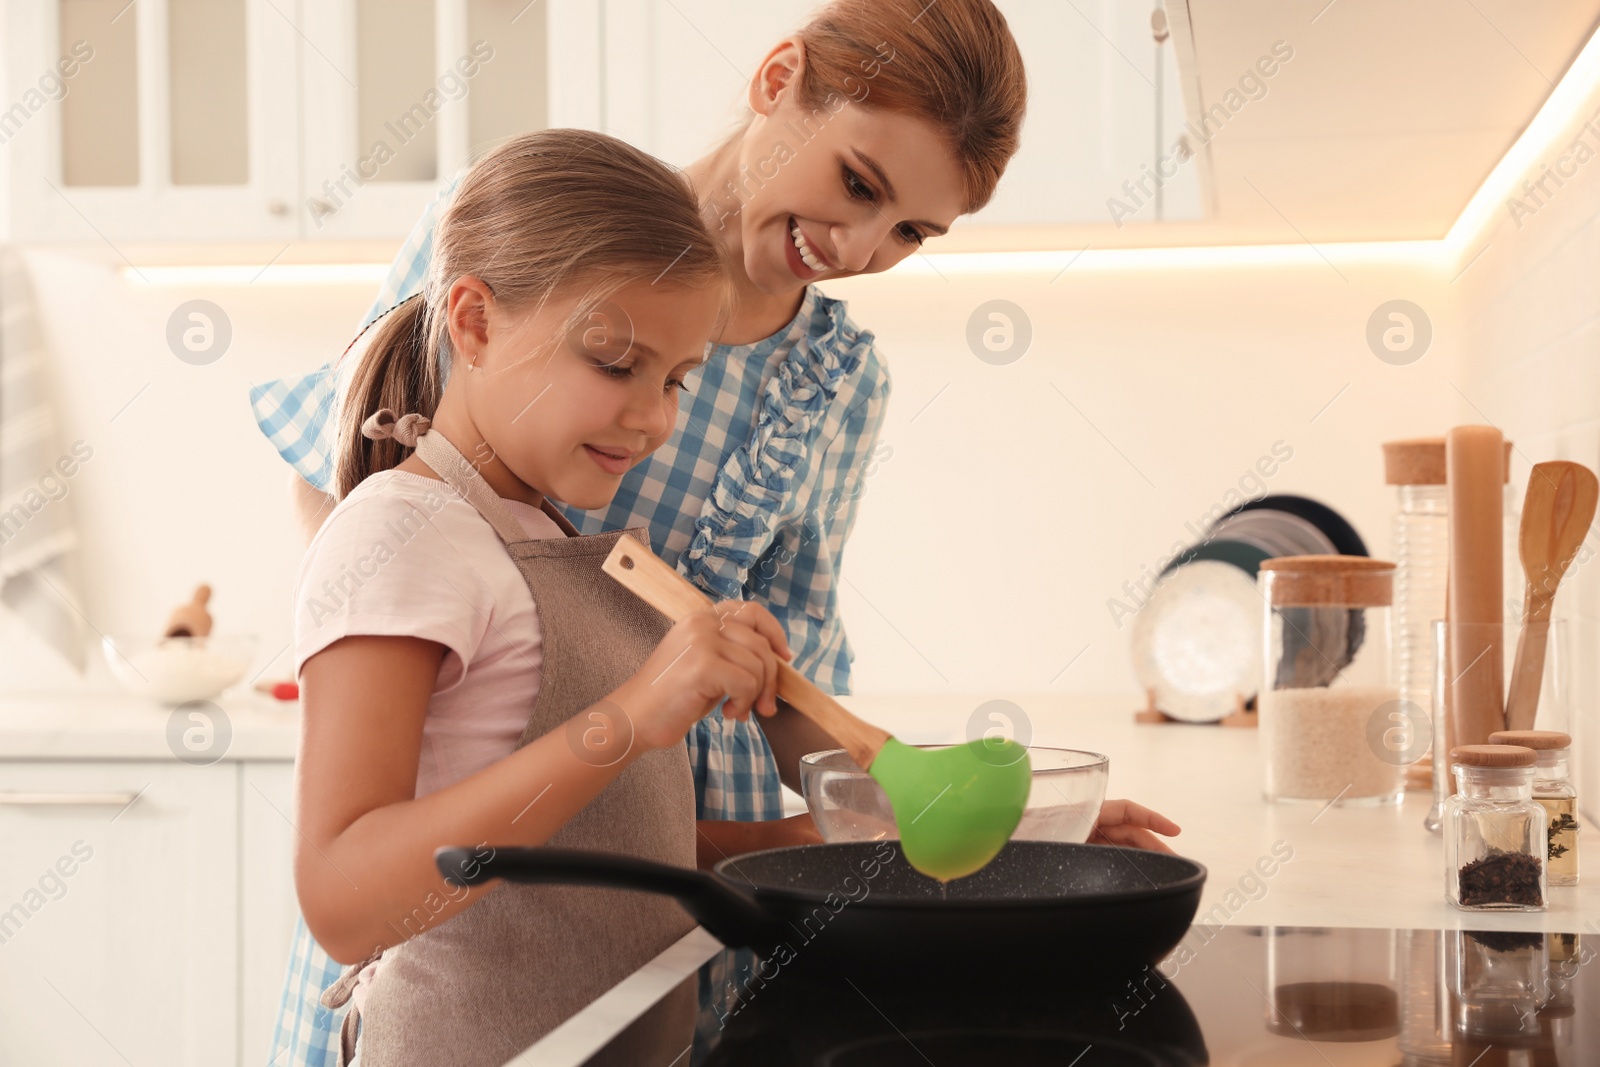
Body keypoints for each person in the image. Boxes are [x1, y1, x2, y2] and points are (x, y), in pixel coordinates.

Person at [253, 2, 1178, 1062]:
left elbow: (785, 680)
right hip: (472, 897)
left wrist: (967, 824)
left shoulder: (836, 380)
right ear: (778, 78)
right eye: (859, 185)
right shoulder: (538, 228)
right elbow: (357, 512)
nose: (859, 246)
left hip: (671, 872)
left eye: (913, 233)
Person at [289, 127, 791, 1065]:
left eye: (676, 379)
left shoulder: (535, 532)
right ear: (473, 321)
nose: (654, 419)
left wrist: (853, 842)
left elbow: (594, 852)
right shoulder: (402, 535)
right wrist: (633, 715)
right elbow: (344, 900)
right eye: (614, 362)